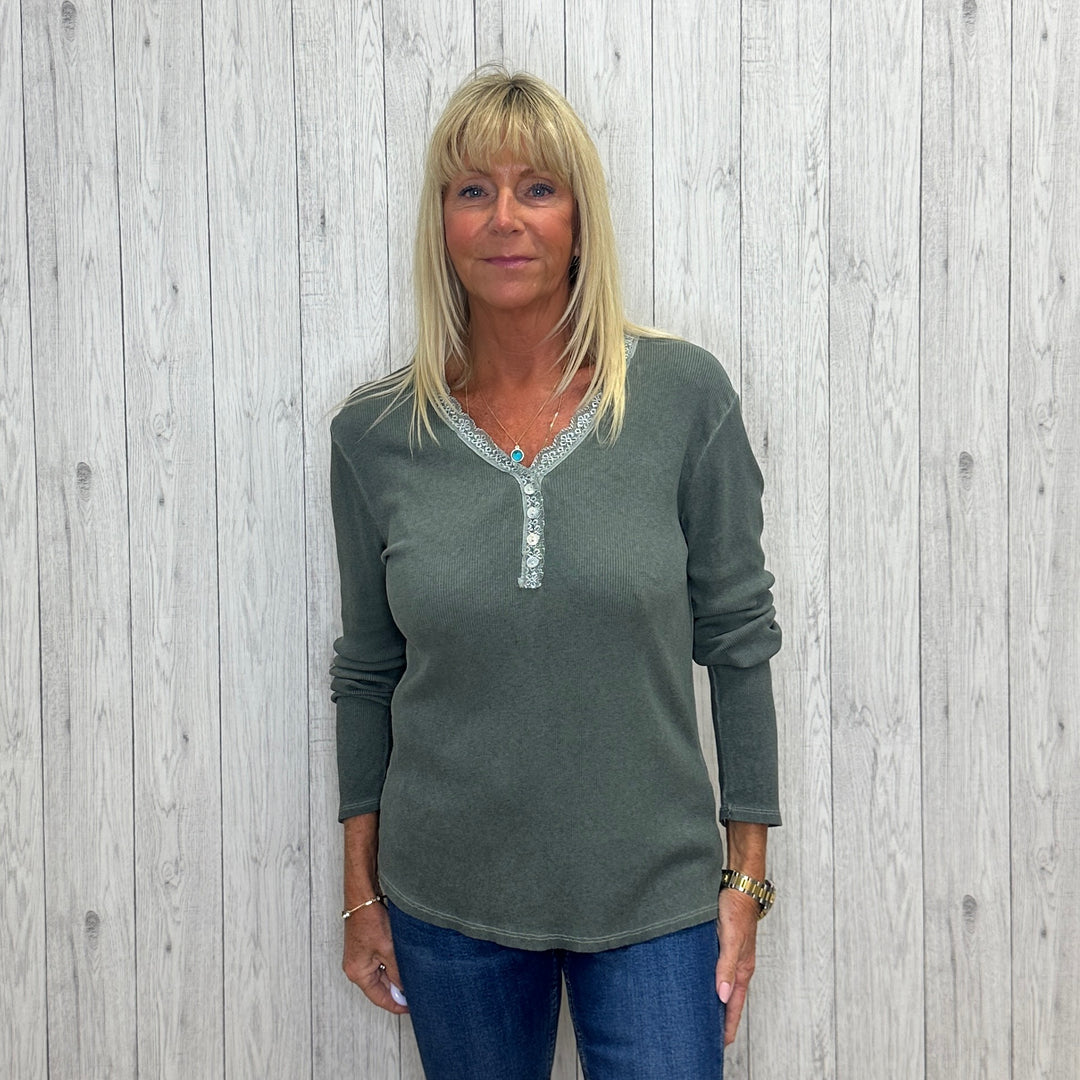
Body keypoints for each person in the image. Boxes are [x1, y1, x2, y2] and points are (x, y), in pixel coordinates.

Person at [329, 67, 782, 1080]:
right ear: (441, 223)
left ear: (580, 220)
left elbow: (740, 640)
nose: (505, 218)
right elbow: (367, 671)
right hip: (447, 901)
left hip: (654, 898)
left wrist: (746, 880)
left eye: (537, 188)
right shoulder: (374, 435)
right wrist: (361, 893)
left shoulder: (682, 398)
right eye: (472, 190)